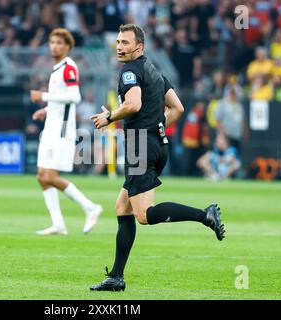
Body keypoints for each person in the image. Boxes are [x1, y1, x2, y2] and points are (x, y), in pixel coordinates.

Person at [90, 24, 225, 292]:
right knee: (122, 207)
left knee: (144, 215)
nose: (119, 46)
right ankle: (116, 276)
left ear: (138, 47)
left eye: (125, 43)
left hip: (141, 145)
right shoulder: (153, 70)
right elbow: (178, 107)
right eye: (117, 41)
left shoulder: (130, 71)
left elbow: (134, 105)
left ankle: (204, 215)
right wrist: (157, 126)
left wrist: (109, 116)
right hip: (155, 143)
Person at [30, 28, 102, 236]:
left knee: (50, 176)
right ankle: (58, 224)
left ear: (68, 47)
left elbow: (74, 96)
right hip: (51, 126)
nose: (55, 46)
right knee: (41, 176)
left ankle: (90, 207)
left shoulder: (68, 68)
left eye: (60, 43)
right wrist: (47, 110)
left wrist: (43, 97)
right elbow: (61, 99)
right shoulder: (57, 69)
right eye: (52, 42)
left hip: (61, 131)